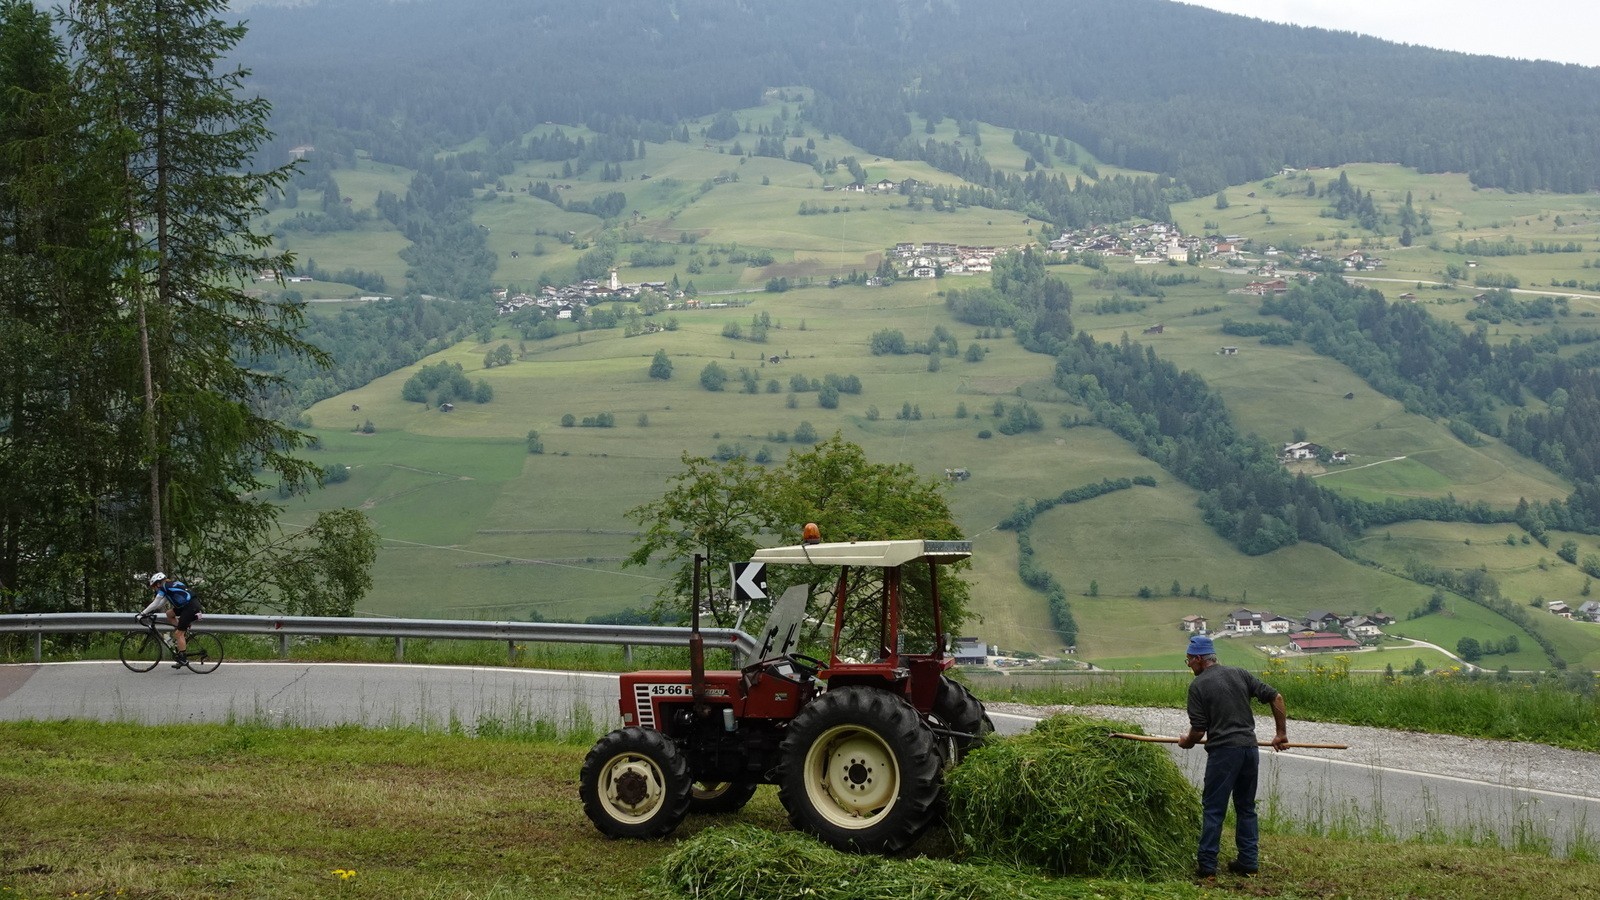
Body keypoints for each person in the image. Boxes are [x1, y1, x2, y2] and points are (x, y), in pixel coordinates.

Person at [1176, 634, 1287, 879]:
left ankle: (1207, 868)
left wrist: (1186, 742)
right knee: (1246, 807)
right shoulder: (1240, 673)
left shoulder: (1198, 686)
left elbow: (1198, 730)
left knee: (1214, 809)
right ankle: (1248, 861)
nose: (1189, 667)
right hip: (1249, 750)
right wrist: (1281, 734)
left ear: (1198, 659)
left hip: (1224, 753)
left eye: (1188, 662)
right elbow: (1276, 697)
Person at [137, 572, 202, 668]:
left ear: (158, 584)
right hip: (188, 606)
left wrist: (142, 613)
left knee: (178, 634)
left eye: (154, 587)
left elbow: (155, 603)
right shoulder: (169, 586)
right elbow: (160, 604)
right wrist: (149, 612)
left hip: (190, 608)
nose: (154, 589)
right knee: (169, 614)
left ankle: (183, 659)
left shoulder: (164, 587)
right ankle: (180, 630)